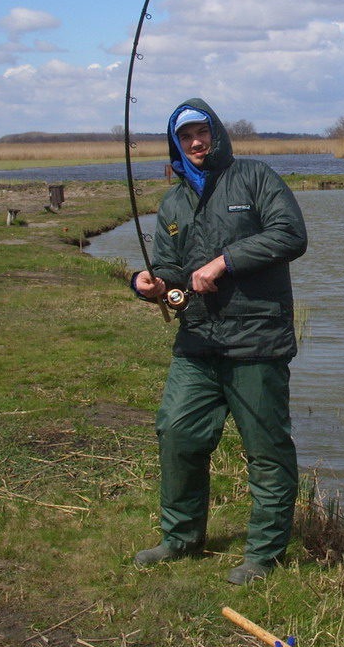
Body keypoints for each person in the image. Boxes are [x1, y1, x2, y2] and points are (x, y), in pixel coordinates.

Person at [130, 98, 308, 585]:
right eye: (185, 137)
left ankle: (264, 554)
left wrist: (223, 262)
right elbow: (171, 272)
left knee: (266, 448)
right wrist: (148, 284)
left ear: (217, 134)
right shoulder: (172, 202)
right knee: (177, 431)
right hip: (197, 340)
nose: (195, 143)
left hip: (257, 341)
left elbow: (290, 234)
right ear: (176, 145)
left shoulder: (254, 178)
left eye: (201, 132)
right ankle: (181, 538)